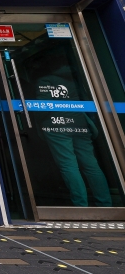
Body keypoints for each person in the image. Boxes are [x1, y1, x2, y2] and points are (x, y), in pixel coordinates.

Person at [35, 53, 112, 207]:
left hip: (57, 126)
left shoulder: (45, 80)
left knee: (68, 164)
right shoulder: (75, 78)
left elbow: (42, 106)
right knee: (91, 165)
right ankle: (105, 203)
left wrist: (38, 121)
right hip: (80, 123)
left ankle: (80, 205)